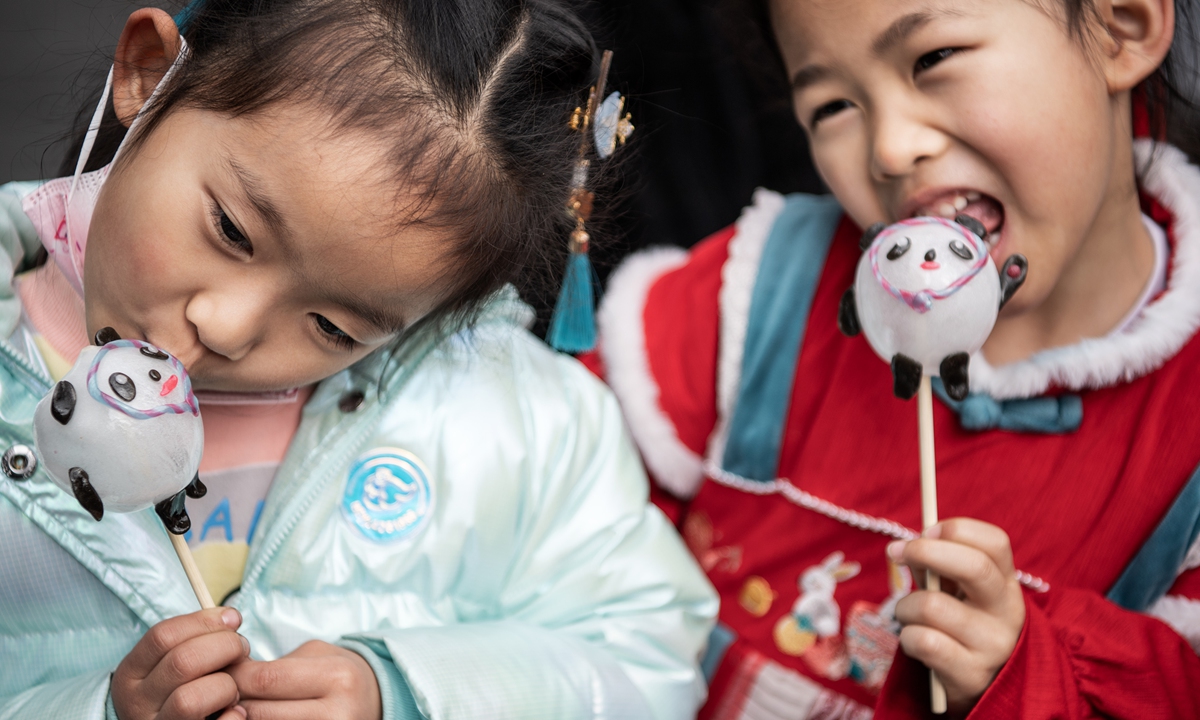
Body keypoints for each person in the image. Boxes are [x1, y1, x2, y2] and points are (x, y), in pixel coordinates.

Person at [0, 2, 717, 719]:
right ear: (149, 74)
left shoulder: (526, 426)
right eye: (230, 229)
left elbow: (647, 663)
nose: (226, 325)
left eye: (332, 327)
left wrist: (405, 692)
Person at [587, 0, 1200, 716]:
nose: (889, 148)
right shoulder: (757, 294)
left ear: (1120, 27)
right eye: (833, 105)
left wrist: (1016, 675)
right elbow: (572, 486)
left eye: (933, 59)